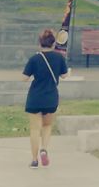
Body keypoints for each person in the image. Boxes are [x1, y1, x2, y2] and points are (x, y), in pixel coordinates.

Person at [22, 27, 68, 168]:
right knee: (47, 126)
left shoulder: (34, 59)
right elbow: (64, 75)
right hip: (51, 97)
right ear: (54, 43)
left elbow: (24, 78)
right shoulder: (59, 57)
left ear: (40, 43)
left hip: (35, 97)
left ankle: (35, 160)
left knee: (35, 129)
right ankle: (44, 149)